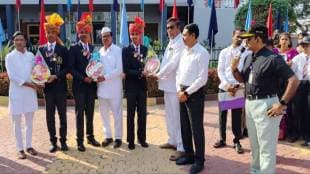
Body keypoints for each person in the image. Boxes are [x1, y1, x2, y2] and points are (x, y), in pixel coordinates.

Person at [231, 24, 299, 174]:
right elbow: (243, 79)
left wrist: (281, 104)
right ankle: (255, 171)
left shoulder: (273, 58)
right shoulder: (249, 57)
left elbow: (294, 81)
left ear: (258, 38)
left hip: (266, 105)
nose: (246, 42)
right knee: (254, 146)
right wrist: (234, 69)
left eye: (249, 39)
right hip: (250, 104)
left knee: (266, 148)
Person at [175, 23, 209, 174]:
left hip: (194, 94)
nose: (182, 37)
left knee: (196, 128)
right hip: (181, 92)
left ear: (194, 35)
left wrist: (187, 93)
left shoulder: (202, 53)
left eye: (185, 34)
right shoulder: (184, 51)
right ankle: (189, 155)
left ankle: (199, 160)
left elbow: (202, 78)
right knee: (185, 126)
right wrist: (178, 90)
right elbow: (178, 73)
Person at [150, 17, 185, 161]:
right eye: (167, 28)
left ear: (178, 28)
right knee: (170, 116)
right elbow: (165, 63)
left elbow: (173, 64)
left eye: (171, 27)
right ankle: (172, 140)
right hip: (167, 85)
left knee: (177, 118)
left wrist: (158, 74)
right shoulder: (171, 42)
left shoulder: (180, 43)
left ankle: (182, 147)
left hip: (175, 86)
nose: (168, 30)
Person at [5, 31, 40, 159]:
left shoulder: (31, 55)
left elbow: (37, 71)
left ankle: (29, 145)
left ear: (25, 41)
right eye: (16, 40)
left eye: (21, 40)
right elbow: (12, 76)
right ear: (13, 42)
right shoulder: (9, 57)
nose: (19, 42)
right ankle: (20, 149)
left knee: (29, 122)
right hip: (17, 93)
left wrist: (40, 81)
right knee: (17, 123)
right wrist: (30, 84)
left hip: (30, 94)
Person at [69, 13, 100, 152]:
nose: (83, 34)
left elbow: (97, 65)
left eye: (85, 32)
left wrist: (97, 75)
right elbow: (71, 68)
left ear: (89, 33)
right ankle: (79, 141)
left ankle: (90, 136)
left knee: (90, 112)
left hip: (91, 86)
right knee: (79, 113)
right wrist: (83, 78)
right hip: (80, 86)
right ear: (78, 33)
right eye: (81, 32)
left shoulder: (93, 49)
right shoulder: (74, 48)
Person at [39, 13, 69, 153]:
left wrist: (56, 76)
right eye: (48, 32)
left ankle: (63, 141)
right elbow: (36, 68)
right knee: (49, 116)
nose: (50, 34)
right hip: (48, 90)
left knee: (62, 116)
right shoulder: (41, 49)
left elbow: (67, 68)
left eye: (52, 32)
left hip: (60, 88)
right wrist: (40, 79)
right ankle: (53, 141)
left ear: (56, 33)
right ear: (45, 33)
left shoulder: (63, 49)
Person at [214, 29, 246, 154]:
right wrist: (227, 86)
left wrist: (238, 86)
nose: (240, 39)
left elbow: (244, 72)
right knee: (222, 114)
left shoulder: (246, 54)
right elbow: (220, 70)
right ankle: (222, 138)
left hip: (238, 88)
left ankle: (236, 140)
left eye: (242, 37)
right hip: (224, 87)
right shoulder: (224, 52)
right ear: (233, 36)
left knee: (237, 116)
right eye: (238, 36)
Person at [122, 17, 148, 150]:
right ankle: (130, 140)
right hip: (131, 87)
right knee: (131, 114)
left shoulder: (145, 49)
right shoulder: (126, 51)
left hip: (142, 87)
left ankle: (142, 138)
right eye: (132, 34)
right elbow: (126, 70)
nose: (134, 36)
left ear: (140, 34)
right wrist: (140, 72)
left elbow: (150, 65)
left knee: (142, 114)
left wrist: (149, 70)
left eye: (136, 34)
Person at [97, 27, 123, 148]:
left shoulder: (118, 50)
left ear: (112, 37)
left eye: (107, 36)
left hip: (114, 89)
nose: (105, 38)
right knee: (104, 114)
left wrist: (105, 77)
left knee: (117, 114)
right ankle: (108, 136)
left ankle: (118, 138)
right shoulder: (100, 51)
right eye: (103, 36)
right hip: (102, 89)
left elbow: (119, 70)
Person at [273, 32, 299, 140]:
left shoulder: (294, 53)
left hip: (288, 84)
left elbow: (298, 69)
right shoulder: (274, 52)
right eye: (282, 39)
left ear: (289, 41)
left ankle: (290, 133)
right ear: (279, 41)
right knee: (276, 105)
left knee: (288, 109)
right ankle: (277, 131)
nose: (284, 41)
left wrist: (290, 66)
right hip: (276, 83)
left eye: (286, 39)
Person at [290, 36, 310, 146]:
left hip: (309, 84)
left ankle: (307, 136)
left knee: (308, 110)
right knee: (296, 109)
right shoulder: (297, 58)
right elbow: (290, 71)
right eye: (303, 45)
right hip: (299, 84)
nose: (305, 47)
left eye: (307, 45)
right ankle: (296, 133)